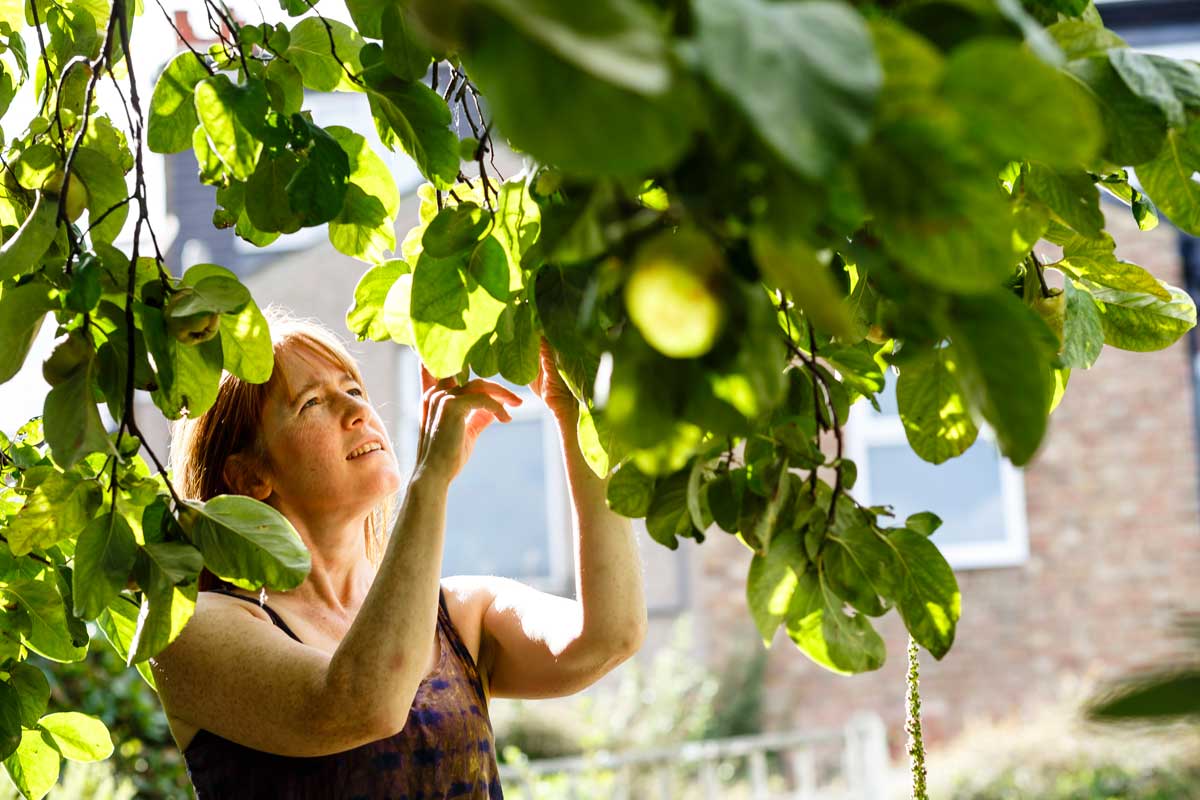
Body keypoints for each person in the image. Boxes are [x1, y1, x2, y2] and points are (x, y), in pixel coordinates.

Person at [153, 312, 648, 799]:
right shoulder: (192, 629)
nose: (357, 412)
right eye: (311, 403)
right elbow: (361, 704)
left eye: (353, 390)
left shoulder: (459, 615)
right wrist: (429, 478)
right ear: (249, 477)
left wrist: (575, 407)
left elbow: (610, 634)